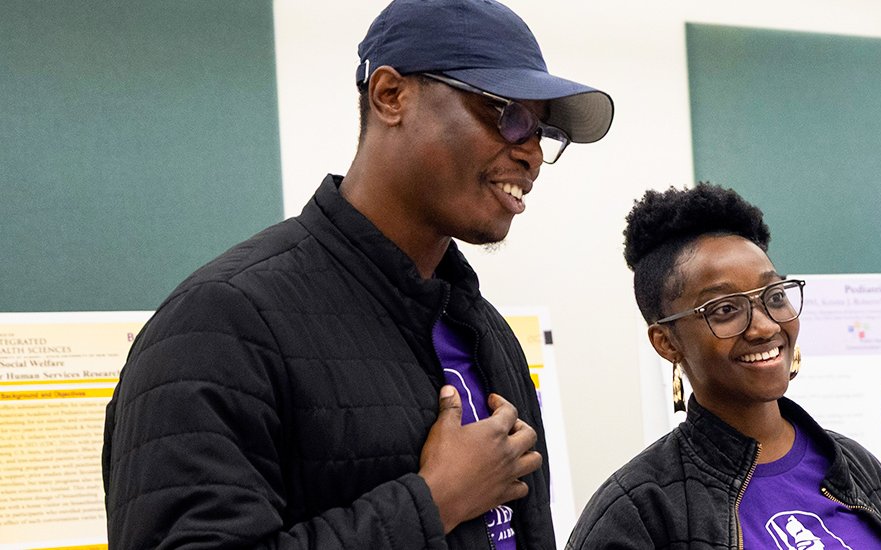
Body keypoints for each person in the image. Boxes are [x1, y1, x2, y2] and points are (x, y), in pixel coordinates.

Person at [100, 1, 613, 548]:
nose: (531, 154)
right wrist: (432, 502)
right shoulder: (221, 323)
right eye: (508, 114)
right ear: (391, 96)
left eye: (541, 132)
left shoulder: (488, 334)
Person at [567, 184, 881, 549]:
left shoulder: (854, 465)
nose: (766, 326)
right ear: (667, 342)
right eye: (725, 309)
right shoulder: (637, 510)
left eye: (775, 297)